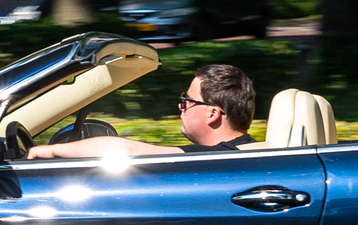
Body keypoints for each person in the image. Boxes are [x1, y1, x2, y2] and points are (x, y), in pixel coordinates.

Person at [27, 62, 258, 159]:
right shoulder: (247, 152)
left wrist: (50, 151)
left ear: (212, 114)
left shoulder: (215, 157)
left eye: (187, 100)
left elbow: (124, 150)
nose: (181, 106)